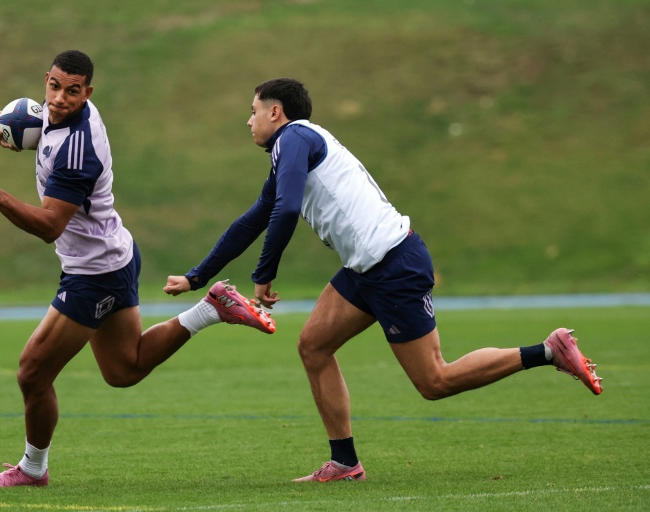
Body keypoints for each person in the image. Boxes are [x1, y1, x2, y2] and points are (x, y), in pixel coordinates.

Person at [163, 77, 603, 482]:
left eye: (253, 110)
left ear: (275, 112)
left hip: (393, 265)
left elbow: (289, 209)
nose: (249, 120)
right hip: (364, 269)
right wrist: (197, 276)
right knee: (313, 346)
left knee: (434, 381)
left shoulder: (294, 137)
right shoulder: (290, 152)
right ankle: (344, 463)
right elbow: (253, 219)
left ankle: (548, 351)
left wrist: (263, 275)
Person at [0, 50, 275, 488]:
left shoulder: (78, 151)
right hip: (115, 254)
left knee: (32, 371)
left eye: (73, 91)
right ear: (46, 81)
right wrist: (16, 129)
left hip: (94, 274)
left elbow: (50, 226)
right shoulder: (70, 112)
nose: (59, 99)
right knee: (123, 370)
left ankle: (32, 469)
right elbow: (46, 125)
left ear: (87, 92)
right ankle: (212, 307)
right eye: (53, 86)